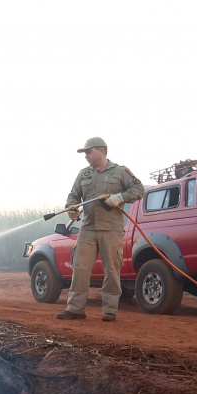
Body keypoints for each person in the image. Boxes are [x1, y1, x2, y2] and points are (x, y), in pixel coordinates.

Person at [57, 137, 145, 322]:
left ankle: (110, 311)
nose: (86, 156)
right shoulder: (84, 174)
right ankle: (75, 309)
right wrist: (72, 208)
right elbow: (73, 196)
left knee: (112, 270)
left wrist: (120, 197)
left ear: (102, 151)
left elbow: (139, 189)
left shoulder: (120, 172)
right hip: (87, 228)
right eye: (85, 153)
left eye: (89, 152)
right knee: (80, 269)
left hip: (111, 229)